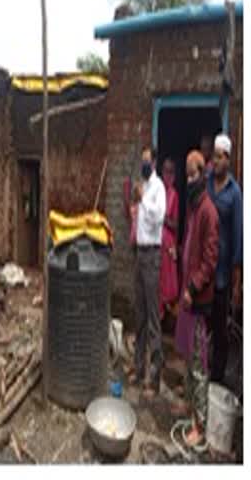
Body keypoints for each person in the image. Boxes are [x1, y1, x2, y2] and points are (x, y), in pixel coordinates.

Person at [171, 151, 219, 444]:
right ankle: (190, 405)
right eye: (187, 174)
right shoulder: (193, 208)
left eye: (193, 174)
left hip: (199, 300)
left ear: (204, 174)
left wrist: (191, 288)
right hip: (188, 296)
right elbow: (191, 248)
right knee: (189, 356)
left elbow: (210, 261)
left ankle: (200, 427)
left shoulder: (208, 212)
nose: (190, 179)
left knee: (200, 364)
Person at [128, 145, 167, 399]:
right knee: (139, 313)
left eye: (146, 161)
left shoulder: (158, 188)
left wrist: (143, 201)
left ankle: (154, 377)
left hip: (152, 255)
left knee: (153, 316)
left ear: (154, 162)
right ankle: (138, 366)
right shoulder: (142, 185)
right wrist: (135, 208)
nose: (143, 165)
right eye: (141, 160)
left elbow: (159, 217)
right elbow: (140, 221)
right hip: (139, 254)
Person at [207, 133, 243, 384]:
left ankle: (216, 382)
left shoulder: (235, 193)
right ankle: (203, 376)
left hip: (221, 274)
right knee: (204, 328)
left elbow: (239, 237)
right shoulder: (207, 184)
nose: (216, 161)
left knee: (220, 331)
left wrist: (237, 281)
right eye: (214, 156)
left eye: (220, 157)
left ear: (228, 159)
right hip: (205, 271)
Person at [160, 158, 180, 319]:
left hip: (168, 245)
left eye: (170, 172)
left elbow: (175, 224)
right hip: (158, 245)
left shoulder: (174, 195)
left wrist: (164, 219)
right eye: (165, 171)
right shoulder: (158, 191)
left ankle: (168, 319)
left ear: (173, 175)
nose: (167, 176)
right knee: (158, 282)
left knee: (168, 285)